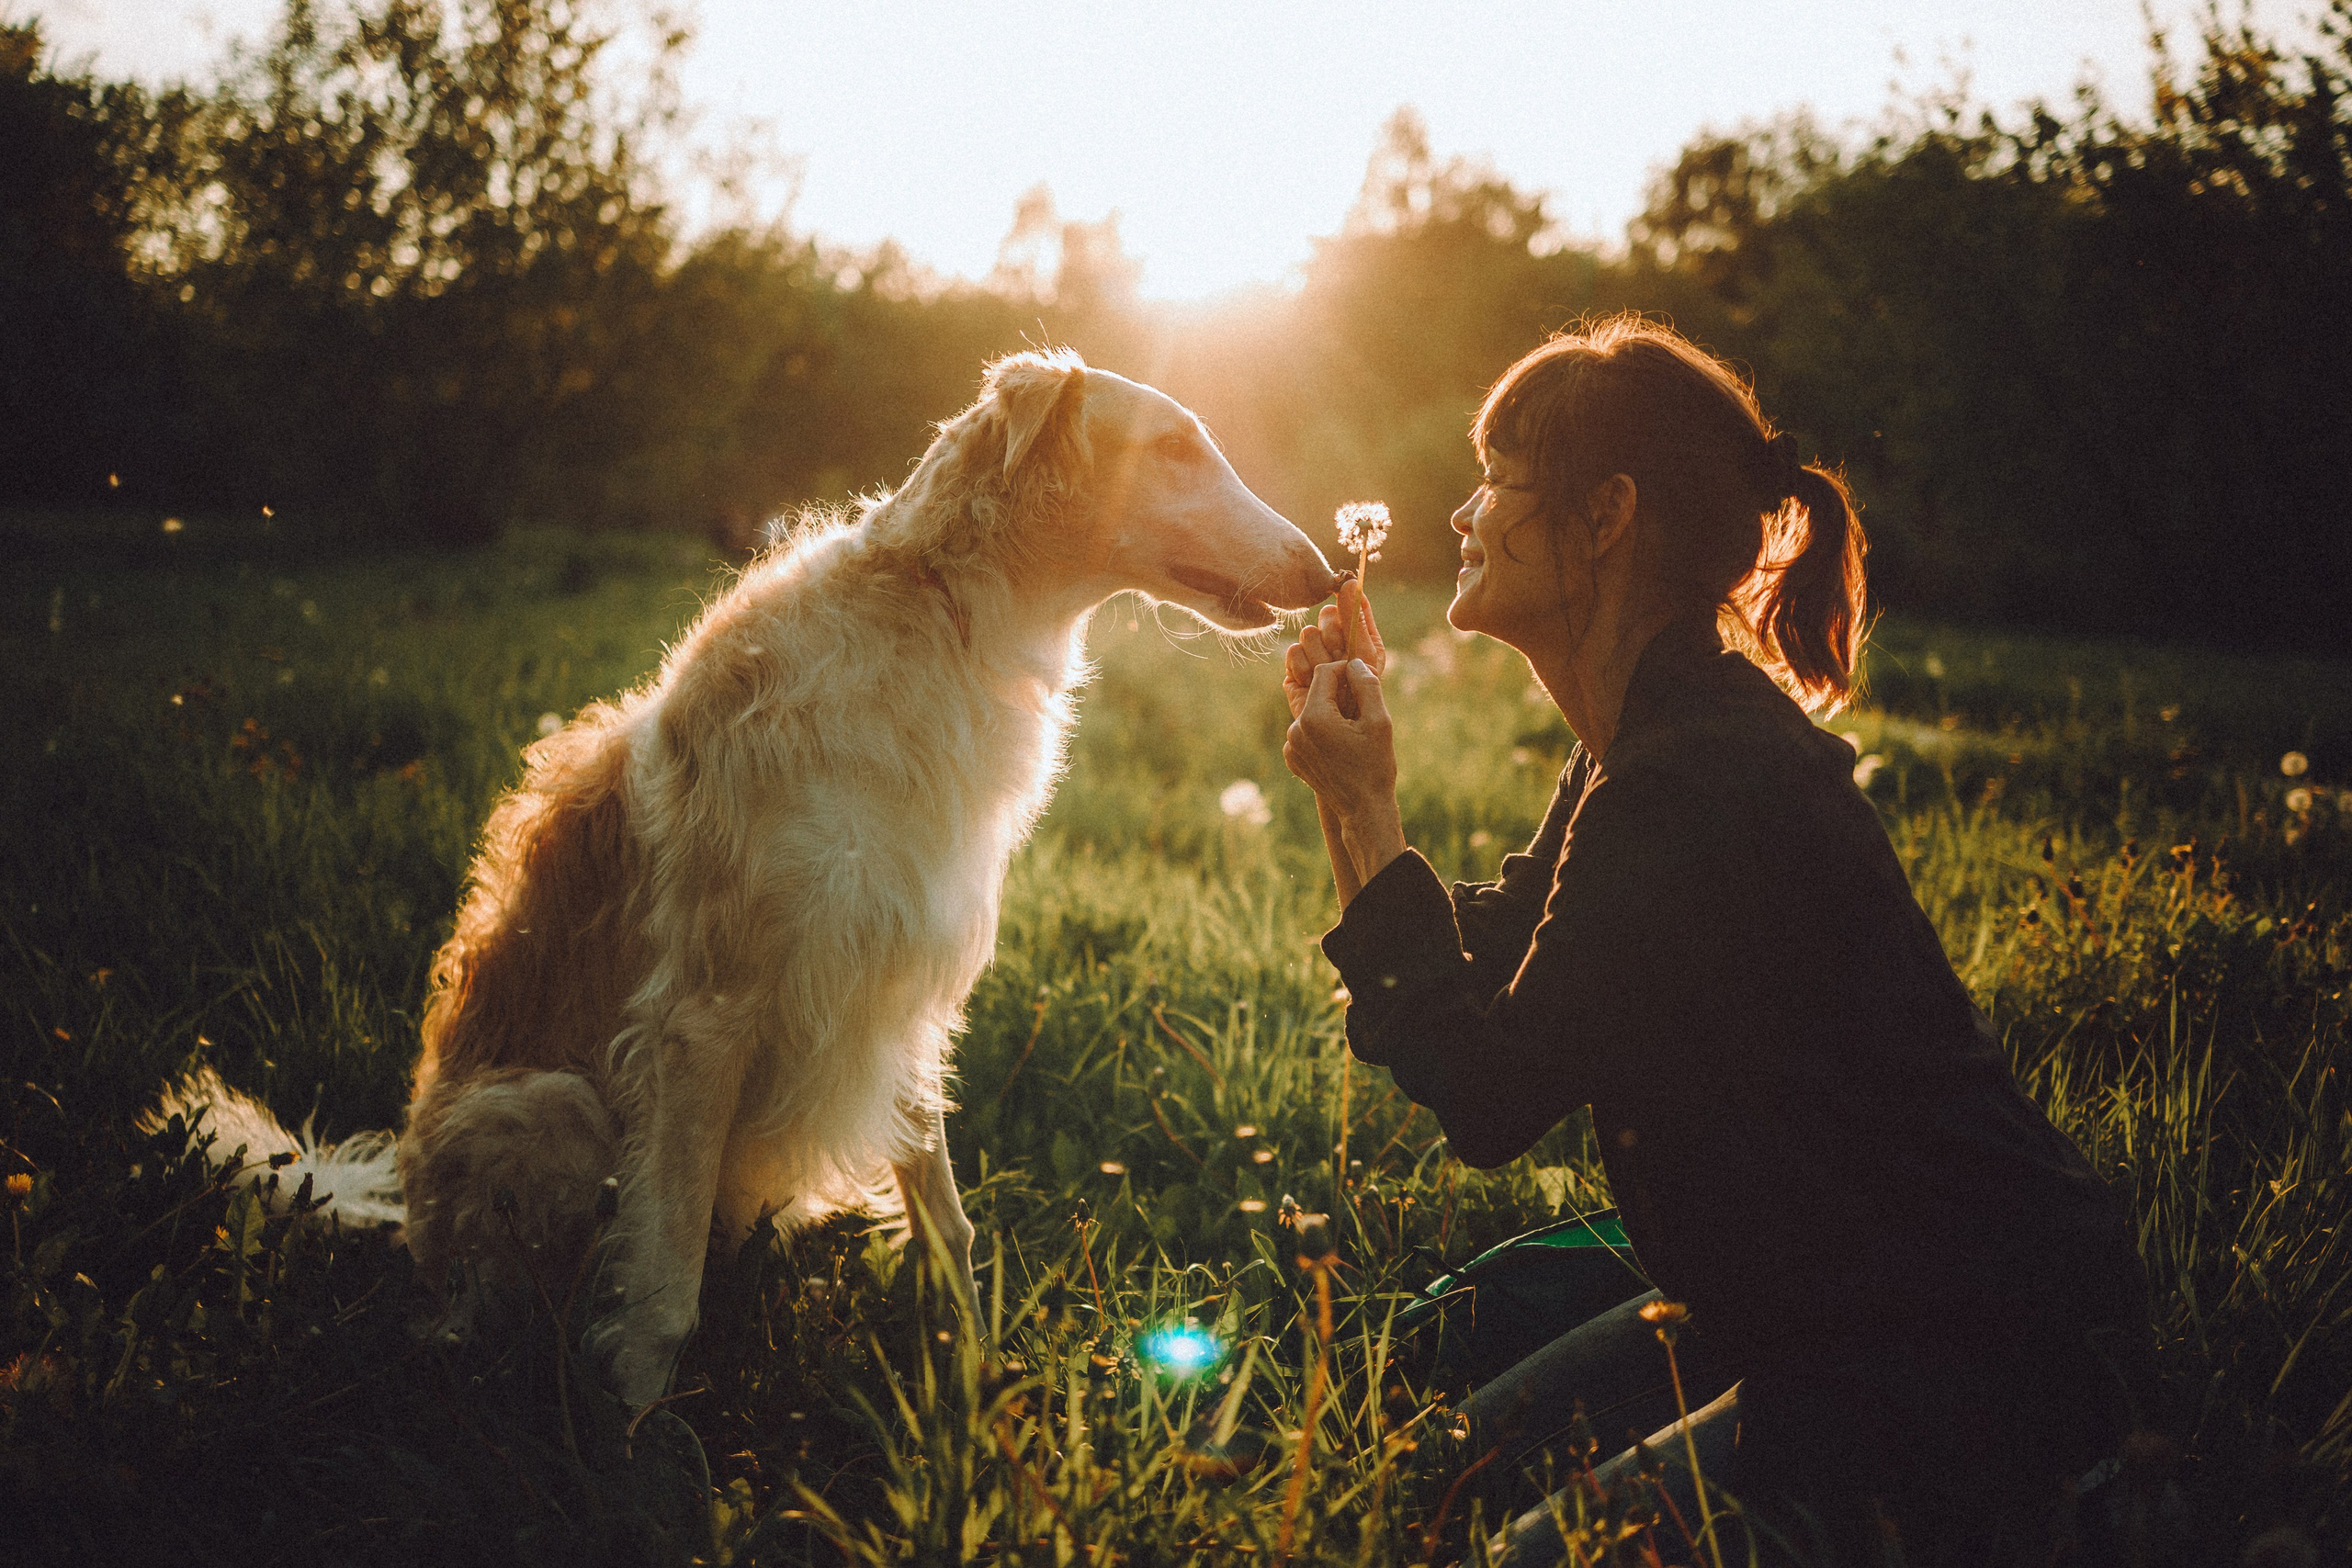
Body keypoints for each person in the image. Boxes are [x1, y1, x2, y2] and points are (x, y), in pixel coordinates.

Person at [1281, 317, 2154, 1564]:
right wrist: (1350, 803)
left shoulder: (1696, 784)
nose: (1464, 515)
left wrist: (1363, 805)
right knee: (1421, 1453)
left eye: (1497, 480)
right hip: (1802, 1290)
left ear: (1603, 516)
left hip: (1964, 1350)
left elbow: (1491, 1090)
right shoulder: (1637, 746)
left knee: (1508, 1550)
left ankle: (2082, 1512)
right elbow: (1518, 949)